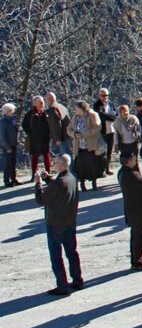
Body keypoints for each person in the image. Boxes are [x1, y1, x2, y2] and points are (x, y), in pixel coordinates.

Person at [35, 154, 83, 297]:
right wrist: (48, 178)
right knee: (72, 252)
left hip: (55, 223)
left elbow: (41, 199)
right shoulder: (72, 178)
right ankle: (77, 280)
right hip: (70, 221)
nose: (53, 165)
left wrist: (38, 183)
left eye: (55, 163)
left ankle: (62, 285)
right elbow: (57, 187)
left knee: (56, 255)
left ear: (62, 164)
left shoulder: (59, 183)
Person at [118, 154, 142, 271]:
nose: (136, 161)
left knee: (136, 236)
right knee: (140, 237)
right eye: (133, 159)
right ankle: (138, 262)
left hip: (133, 208)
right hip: (139, 209)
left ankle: (137, 259)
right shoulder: (131, 174)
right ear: (128, 162)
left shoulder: (122, 172)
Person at [71, 100, 104, 191]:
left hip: (90, 145)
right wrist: (74, 134)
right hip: (79, 146)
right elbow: (69, 129)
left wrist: (84, 134)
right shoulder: (76, 117)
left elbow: (97, 127)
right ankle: (82, 184)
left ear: (81, 108)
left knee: (92, 165)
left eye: (76, 108)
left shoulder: (92, 115)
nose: (75, 110)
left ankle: (94, 183)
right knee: (81, 166)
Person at [22, 96, 51, 175]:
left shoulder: (46, 113)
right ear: (34, 104)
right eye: (40, 102)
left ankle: (47, 173)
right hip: (34, 139)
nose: (42, 104)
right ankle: (34, 174)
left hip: (45, 138)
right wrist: (31, 133)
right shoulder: (30, 114)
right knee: (35, 156)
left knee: (46, 155)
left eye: (42, 102)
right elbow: (24, 125)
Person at [93, 88, 117, 174]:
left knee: (110, 151)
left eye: (106, 95)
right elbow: (100, 115)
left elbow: (116, 115)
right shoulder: (97, 105)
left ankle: (108, 168)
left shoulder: (111, 103)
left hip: (111, 130)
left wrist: (108, 116)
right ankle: (101, 170)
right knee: (103, 151)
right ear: (99, 96)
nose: (105, 97)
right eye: (103, 95)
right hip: (102, 131)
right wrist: (110, 116)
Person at [44, 92, 72, 158]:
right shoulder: (62, 107)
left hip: (62, 138)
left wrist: (57, 139)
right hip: (68, 135)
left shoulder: (52, 109)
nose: (45, 102)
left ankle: (71, 168)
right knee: (69, 156)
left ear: (50, 99)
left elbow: (55, 125)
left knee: (65, 157)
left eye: (45, 100)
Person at [1, 103, 19, 187]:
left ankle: (13, 179)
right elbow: (2, 136)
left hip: (14, 144)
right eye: (12, 111)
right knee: (7, 164)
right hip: (7, 146)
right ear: (7, 112)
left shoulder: (13, 119)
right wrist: (7, 147)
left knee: (13, 163)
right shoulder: (3, 122)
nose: (13, 112)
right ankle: (6, 181)